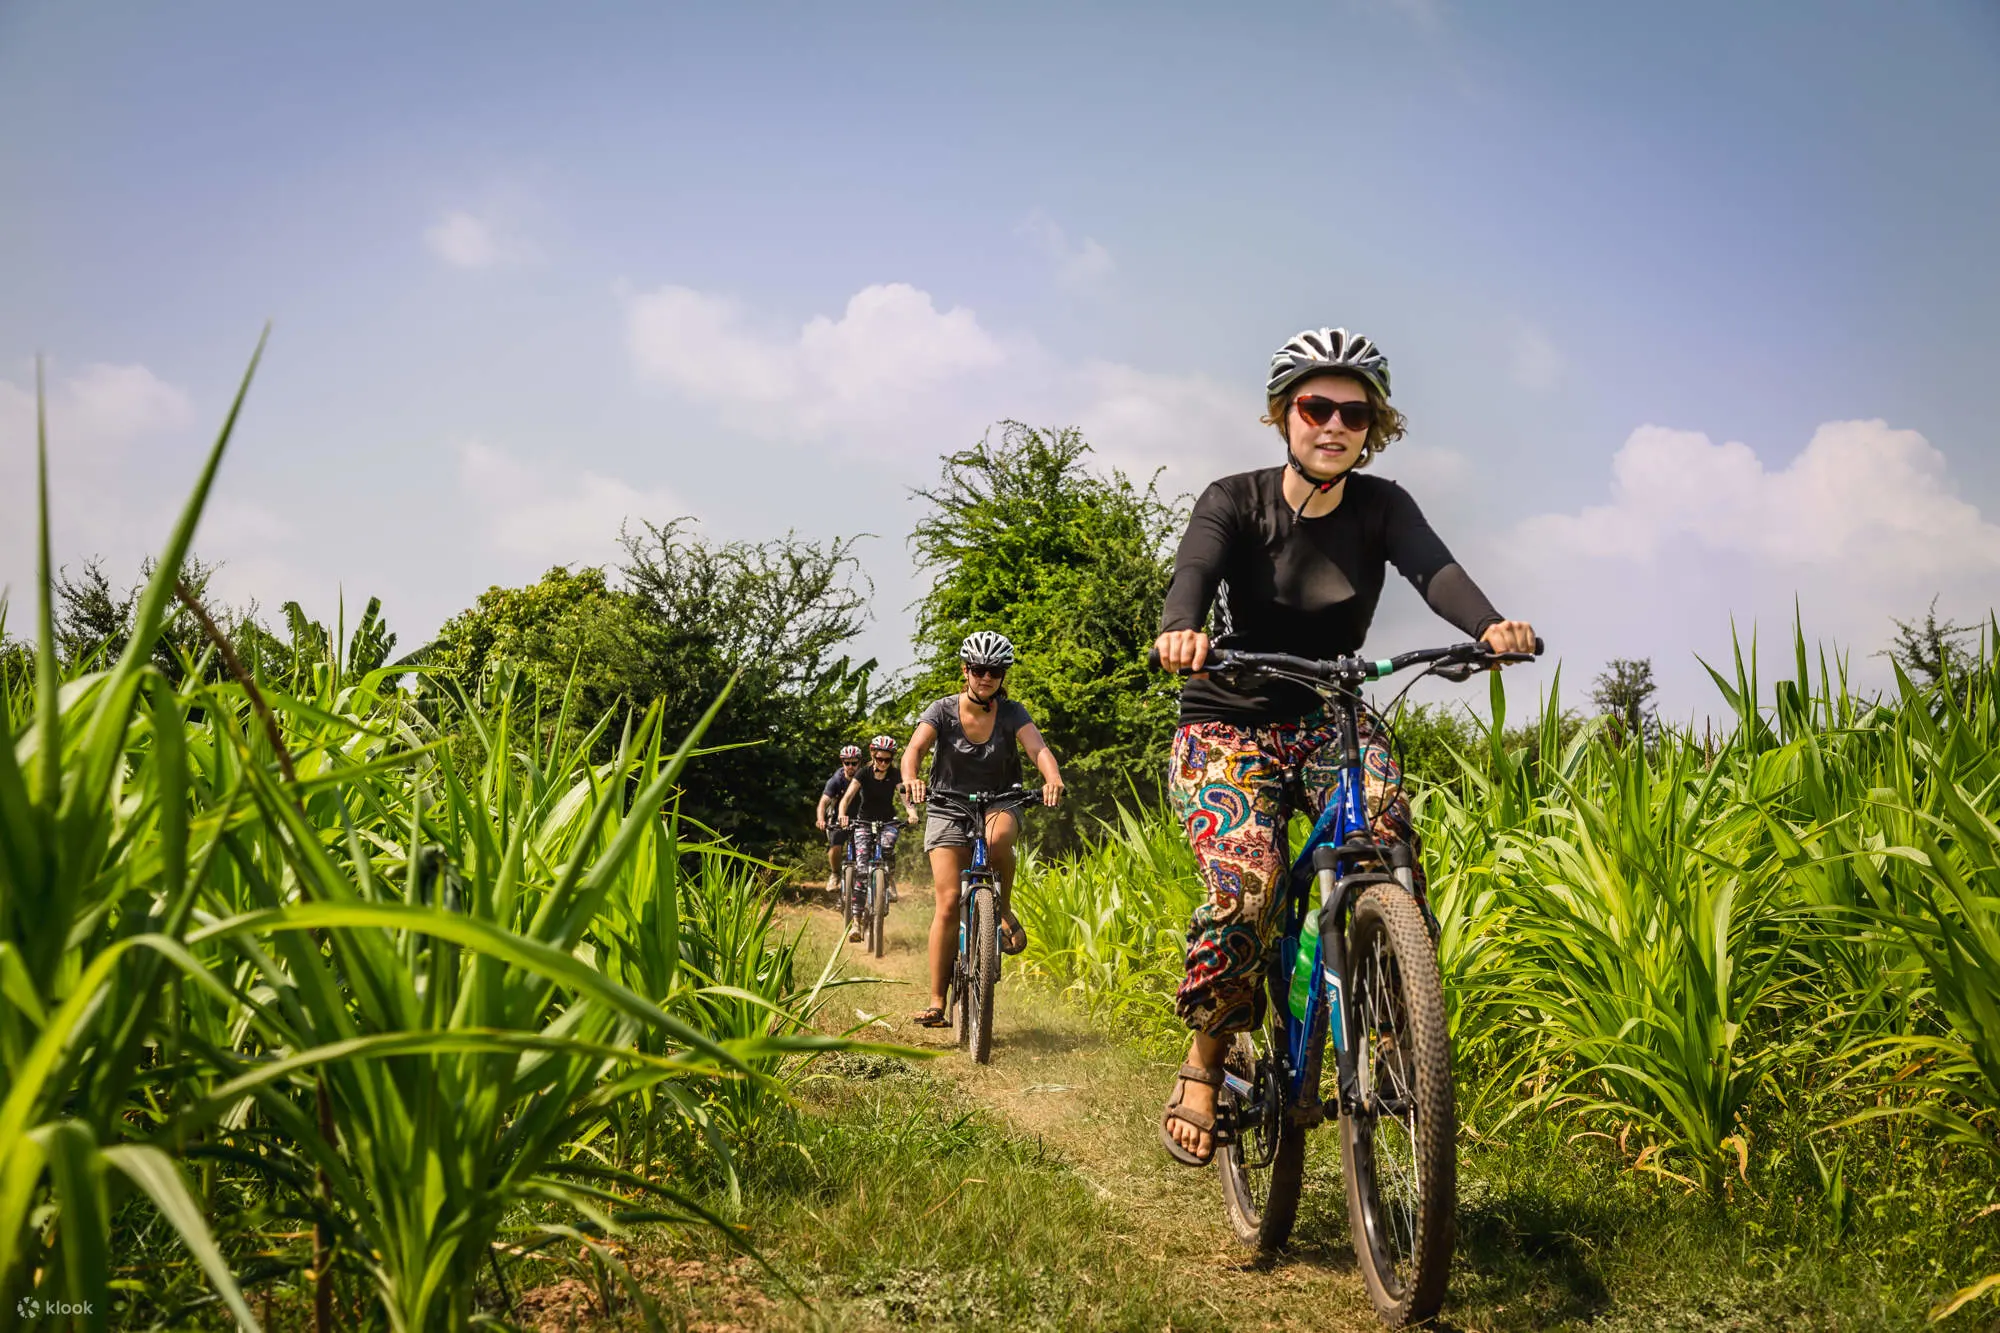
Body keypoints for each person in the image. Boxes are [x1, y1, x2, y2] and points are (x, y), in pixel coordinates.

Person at [1152, 327, 1537, 1167]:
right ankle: (1205, 1058)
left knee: (1390, 840)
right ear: (1283, 414)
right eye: (1315, 406)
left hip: (1329, 718)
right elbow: (1193, 577)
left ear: (1375, 426)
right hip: (1227, 725)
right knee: (1247, 886)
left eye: (1353, 412)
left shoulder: (1383, 507)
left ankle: (1401, 1033)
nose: (1334, 424)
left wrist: (1488, 627)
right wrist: (1181, 631)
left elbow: (1436, 572)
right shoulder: (1232, 499)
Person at [901, 631, 1065, 1028]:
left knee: (997, 839)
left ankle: (1001, 908)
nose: (986, 677)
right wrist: (911, 779)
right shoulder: (941, 710)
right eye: (979, 669)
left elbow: (1037, 749)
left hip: (999, 799)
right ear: (966, 670)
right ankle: (937, 1000)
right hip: (946, 804)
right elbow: (915, 750)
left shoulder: (1012, 712)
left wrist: (1052, 777)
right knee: (946, 901)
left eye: (995, 671)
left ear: (1002, 675)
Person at [837, 733, 919, 942]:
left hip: (887, 820)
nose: (883, 763)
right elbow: (846, 799)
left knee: (888, 843)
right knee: (862, 871)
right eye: (879, 758)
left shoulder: (894, 775)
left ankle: (887, 879)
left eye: (887, 759)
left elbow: (904, 797)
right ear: (873, 754)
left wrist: (912, 813)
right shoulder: (863, 773)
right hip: (864, 823)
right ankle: (856, 922)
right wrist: (842, 815)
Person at [815, 745, 863, 897]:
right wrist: (821, 819)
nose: (850, 766)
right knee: (835, 845)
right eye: (846, 763)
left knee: (863, 852)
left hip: (862, 819)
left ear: (859, 763)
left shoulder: (865, 778)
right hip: (838, 819)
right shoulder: (836, 780)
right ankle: (835, 873)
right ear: (842, 763)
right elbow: (823, 803)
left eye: (854, 763)